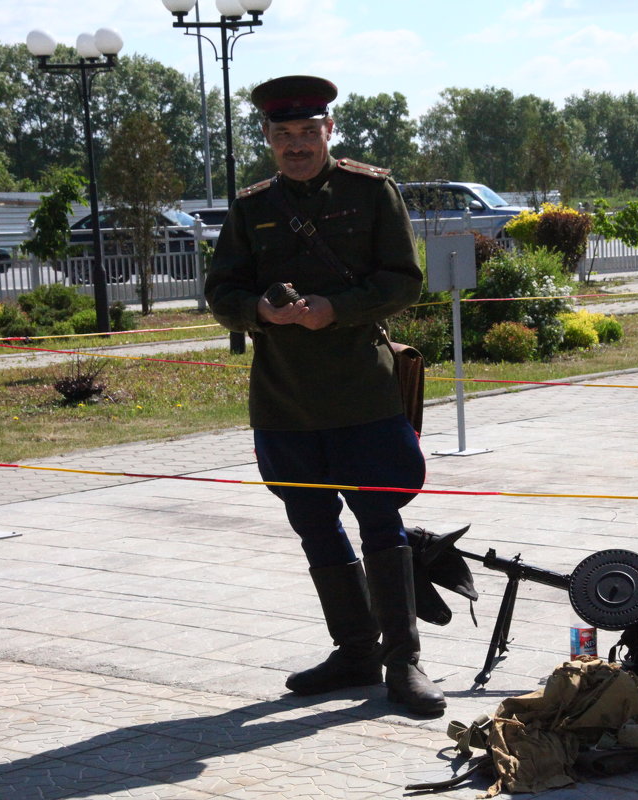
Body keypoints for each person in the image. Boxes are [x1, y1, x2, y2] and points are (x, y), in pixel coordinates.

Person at [204, 75, 444, 715]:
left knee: (381, 524)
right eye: (283, 135)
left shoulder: (370, 192)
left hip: (361, 395)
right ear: (268, 139)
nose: (296, 146)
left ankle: (404, 662)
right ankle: (355, 650)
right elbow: (220, 293)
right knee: (313, 526)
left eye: (308, 133)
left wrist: (334, 308)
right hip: (284, 402)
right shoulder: (252, 207)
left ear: (328, 132)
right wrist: (258, 308)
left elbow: (403, 281)